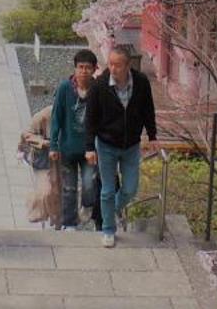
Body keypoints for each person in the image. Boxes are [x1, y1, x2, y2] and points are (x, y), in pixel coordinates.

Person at [87, 45, 158, 248]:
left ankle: (111, 210)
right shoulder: (100, 85)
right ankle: (108, 229)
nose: (113, 68)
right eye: (110, 64)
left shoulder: (141, 82)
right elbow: (90, 119)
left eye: (118, 65)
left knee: (130, 189)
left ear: (128, 66)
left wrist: (152, 135)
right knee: (107, 190)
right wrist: (89, 147)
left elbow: (148, 110)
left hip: (131, 145)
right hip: (106, 144)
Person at [49, 48, 100, 232]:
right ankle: (69, 222)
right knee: (69, 189)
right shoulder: (65, 88)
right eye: (80, 67)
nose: (83, 71)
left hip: (90, 151)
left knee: (89, 184)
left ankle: (87, 208)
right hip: (68, 147)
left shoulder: (99, 89)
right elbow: (56, 117)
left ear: (94, 69)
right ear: (75, 68)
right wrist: (53, 144)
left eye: (88, 67)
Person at [20, 103, 59, 227]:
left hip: (60, 159)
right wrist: (44, 143)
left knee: (58, 191)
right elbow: (27, 134)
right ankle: (34, 204)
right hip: (43, 158)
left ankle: (58, 221)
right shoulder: (44, 115)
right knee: (46, 190)